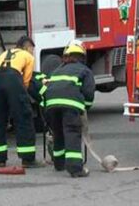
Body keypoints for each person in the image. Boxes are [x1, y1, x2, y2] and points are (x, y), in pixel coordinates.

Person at [0, 36, 44, 168]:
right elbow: (26, 81)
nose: (32, 52)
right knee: (24, 118)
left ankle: (0, 159)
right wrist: (24, 98)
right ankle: (28, 159)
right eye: (32, 49)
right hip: (13, 79)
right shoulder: (28, 57)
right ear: (27, 48)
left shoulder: (5, 53)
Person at [44, 42, 95, 177]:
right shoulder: (85, 70)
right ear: (83, 56)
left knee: (58, 133)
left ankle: (59, 164)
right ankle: (75, 169)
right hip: (70, 104)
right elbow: (89, 93)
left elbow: (48, 88)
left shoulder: (57, 70)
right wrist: (85, 108)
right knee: (72, 132)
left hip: (51, 104)